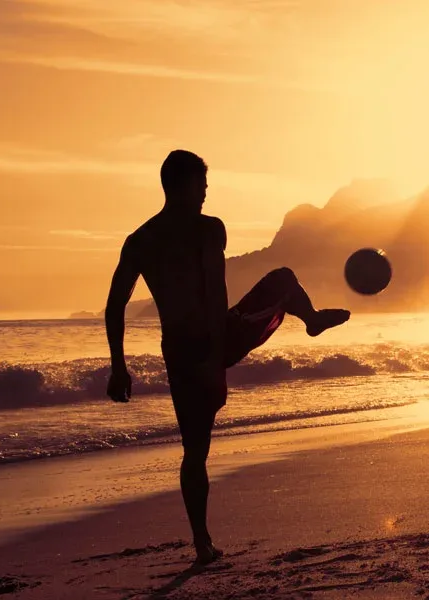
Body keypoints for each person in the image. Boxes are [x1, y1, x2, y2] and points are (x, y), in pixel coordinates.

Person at [104, 150, 350, 564]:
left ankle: (202, 542)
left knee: (194, 450)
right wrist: (215, 357)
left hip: (181, 351)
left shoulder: (140, 241)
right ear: (181, 185)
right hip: (210, 343)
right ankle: (308, 319)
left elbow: (115, 306)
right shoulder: (206, 230)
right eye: (200, 184)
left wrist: (118, 367)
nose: (205, 192)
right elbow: (211, 290)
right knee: (196, 450)